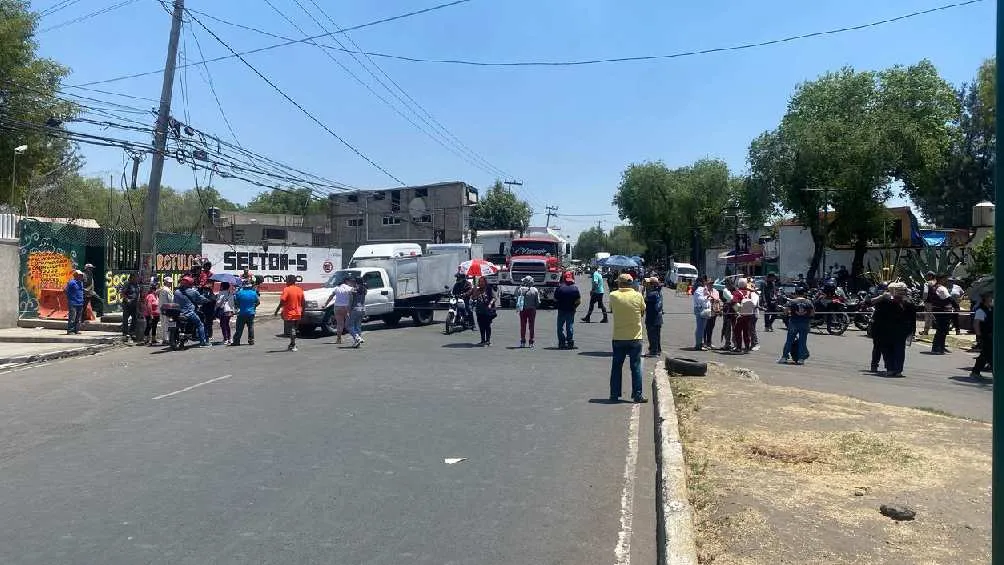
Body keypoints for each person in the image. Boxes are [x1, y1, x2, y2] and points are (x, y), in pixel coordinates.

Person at [609, 273, 647, 403]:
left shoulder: (613, 295)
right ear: (631, 283)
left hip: (619, 337)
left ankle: (614, 394)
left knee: (616, 367)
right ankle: (637, 395)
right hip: (635, 337)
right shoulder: (638, 295)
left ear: (620, 283)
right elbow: (642, 311)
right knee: (635, 367)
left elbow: (612, 310)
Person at [871, 282, 917, 377]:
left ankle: (890, 369)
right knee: (899, 350)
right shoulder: (909, 302)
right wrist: (912, 330)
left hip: (887, 330)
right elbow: (913, 318)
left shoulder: (885, 301)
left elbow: (877, 313)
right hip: (901, 331)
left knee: (888, 350)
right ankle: (898, 370)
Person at [779, 286, 813, 364]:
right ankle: (801, 359)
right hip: (805, 323)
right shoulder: (809, 302)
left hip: (794, 323)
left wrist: (786, 312)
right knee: (802, 341)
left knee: (789, 340)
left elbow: (786, 311)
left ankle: (784, 357)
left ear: (796, 293)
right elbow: (812, 313)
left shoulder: (792, 302)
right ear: (804, 293)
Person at [174, 275, 209, 346]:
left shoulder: (176, 292)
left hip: (179, 313)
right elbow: (201, 299)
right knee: (200, 325)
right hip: (189, 313)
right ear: (190, 283)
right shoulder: (193, 292)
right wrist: (208, 299)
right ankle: (203, 342)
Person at [274, 274, 305, 352]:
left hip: (289, 313)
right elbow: (303, 302)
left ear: (290, 281)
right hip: (298, 313)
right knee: (294, 328)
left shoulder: (287, 289)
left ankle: (294, 345)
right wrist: (303, 311)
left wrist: (277, 310)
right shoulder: (300, 290)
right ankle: (292, 344)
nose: (286, 281)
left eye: (287, 280)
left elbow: (282, 301)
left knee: (291, 329)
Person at [554, 271, 581, 350]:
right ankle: (570, 342)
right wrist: (574, 307)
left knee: (560, 327)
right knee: (569, 326)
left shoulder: (560, 288)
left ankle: (562, 343)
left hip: (561, 310)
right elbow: (578, 301)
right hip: (571, 310)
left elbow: (555, 299)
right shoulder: (575, 288)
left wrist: (559, 304)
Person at [324, 276, 353, 344]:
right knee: (348, 323)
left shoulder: (336, 288)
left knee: (339, 324)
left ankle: (338, 339)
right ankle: (356, 337)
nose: (351, 283)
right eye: (350, 282)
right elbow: (351, 298)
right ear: (347, 282)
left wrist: (325, 304)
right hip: (346, 307)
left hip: (337, 307)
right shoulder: (349, 288)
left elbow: (331, 297)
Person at [971, 293, 994, 379]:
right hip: (986, 335)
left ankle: (975, 372)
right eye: (989, 297)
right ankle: (997, 375)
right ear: (984, 298)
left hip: (992, 335)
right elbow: (976, 324)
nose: (991, 298)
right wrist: (979, 336)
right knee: (991, 355)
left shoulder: (992, 308)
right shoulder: (981, 310)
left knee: (985, 355)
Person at [231, 280, 260, 346]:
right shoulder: (254, 293)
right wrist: (253, 307)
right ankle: (251, 340)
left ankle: (236, 341)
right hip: (251, 313)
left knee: (239, 328)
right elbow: (258, 302)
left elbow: (236, 303)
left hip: (241, 313)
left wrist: (239, 306)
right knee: (250, 327)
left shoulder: (239, 293)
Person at [930, 274, 953, 355]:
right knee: (942, 330)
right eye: (945, 279)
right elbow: (949, 299)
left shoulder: (935, 287)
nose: (946, 281)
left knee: (940, 330)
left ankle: (940, 347)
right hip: (943, 312)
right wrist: (956, 306)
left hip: (938, 311)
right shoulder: (941, 288)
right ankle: (938, 348)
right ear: (941, 279)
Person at [516, 275, 540, 348]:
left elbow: (516, 296)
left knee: (523, 326)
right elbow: (538, 302)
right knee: (531, 326)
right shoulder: (535, 290)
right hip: (532, 310)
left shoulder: (520, 289)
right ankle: (531, 342)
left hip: (523, 309)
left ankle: (523, 341)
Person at [471, 277, 496, 346]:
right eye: (480, 282)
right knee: (481, 326)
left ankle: (488, 340)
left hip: (487, 311)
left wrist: (490, 304)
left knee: (487, 325)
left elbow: (494, 298)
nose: (481, 283)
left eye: (482, 281)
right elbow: (473, 298)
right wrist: (475, 290)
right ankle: (482, 340)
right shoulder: (478, 290)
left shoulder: (489, 289)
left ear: (485, 282)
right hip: (479, 310)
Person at [731, 278, 754, 353]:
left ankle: (739, 347)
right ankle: (747, 347)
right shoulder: (749, 293)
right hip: (749, 314)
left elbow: (734, 302)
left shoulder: (736, 293)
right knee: (746, 331)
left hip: (740, 315)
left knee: (737, 331)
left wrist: (736, 311)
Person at [644, 277, 664, 357]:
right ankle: (657, 350)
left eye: (648, 283)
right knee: (657, 335)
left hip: (652, 317)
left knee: (652, 335)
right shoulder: (658, 292)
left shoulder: (651, 294)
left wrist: (643, 293)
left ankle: (653, 352)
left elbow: (643, 302)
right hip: (658, 317)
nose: (646, 284)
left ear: (652, 285)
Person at [197, 261, 216, 341]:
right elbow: (200, 283)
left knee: (209, 319)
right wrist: (201, 286)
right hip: (202, 293)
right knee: (201, 318)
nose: (207, 267)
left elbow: (212, 283)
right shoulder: (201, 274)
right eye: (206, 266)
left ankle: (209, 334)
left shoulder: (211, 274)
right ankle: (202, 334)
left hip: (209, 296)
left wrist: (208, 285)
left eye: (209, 266)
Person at [119, 273, 140, 343]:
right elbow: (122, 293)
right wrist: (127, 299)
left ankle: (132, 332)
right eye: (135, 277)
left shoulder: (136, 285)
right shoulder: (127, 284)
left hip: (134, 305)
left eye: (137, 278)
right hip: (127, 305)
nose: (137, 279)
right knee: (125, 319)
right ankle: (125, 334)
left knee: (134, 319)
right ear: (131, 278)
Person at [692, 275, 711, 351]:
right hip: (700, 309)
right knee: (700, 328)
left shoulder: (700, 289)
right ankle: (698, 344)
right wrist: (707, 296)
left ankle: (700, 343)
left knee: (702, 327)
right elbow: (700, 299)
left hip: (702, 309)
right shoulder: (700, 289)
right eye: (706, 281)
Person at [348, 275, 368, 347]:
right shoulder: (365, 289)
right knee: (358, 325)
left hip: (355, 308)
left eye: (354, 281)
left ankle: (357, 337)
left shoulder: (354, 289)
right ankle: (357, 342)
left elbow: (351, 300)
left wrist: (348, 309)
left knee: (349, 326)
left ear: (356, 282)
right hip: (362, 308)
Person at [703, 279, 722, 349]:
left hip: (714, 311)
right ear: (706, 284)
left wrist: (719, 310)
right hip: (707, 311)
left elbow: (718, 301)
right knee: (705, 327)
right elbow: (703, 299)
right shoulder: (704, 291)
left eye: (712, 283)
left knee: (711, 327)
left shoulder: (716, 291)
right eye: (709, 284)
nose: (711, 285)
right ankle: (704, 342)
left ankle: (709, 342)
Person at [65, 270, 85, 335]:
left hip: (80, 303)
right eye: (80, 275)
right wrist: (70, 298)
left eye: (81, 275)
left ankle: (76, 330)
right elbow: (65, 290)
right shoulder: (71, 282)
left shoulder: (80, 283)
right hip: (73, 303)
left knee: (78, 318)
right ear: (76, 275)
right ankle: (70, 331)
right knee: (72, 318)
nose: (81, 276)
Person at [157, 277, 175, 344]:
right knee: (167, 324)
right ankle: (167, 339)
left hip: (163, 309)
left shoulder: (162, 289)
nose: (170, 283)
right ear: (166, 282)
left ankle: (165, 339)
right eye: (169, 282)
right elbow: (171, 300)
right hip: (167, 309)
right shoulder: (166, 290)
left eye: (171, 282)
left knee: (163, 324)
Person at [720, 279, 735, 350]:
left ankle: (735, 344)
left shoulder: (736, 291)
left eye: (728, 284)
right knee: (726, 328)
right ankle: (727, 343)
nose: (726, 286)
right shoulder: (725, 291)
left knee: (735, 329)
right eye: (726, 284)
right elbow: (723, 299)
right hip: (727, 312)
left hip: (734, 312)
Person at [920, 271, 936, 335]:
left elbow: (925, 293)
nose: (926, 277)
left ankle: (926, 331)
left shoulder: (928, 283)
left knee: (928, 316)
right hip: (936, 302)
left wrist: (924, 300)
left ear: (931, 276)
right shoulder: (937, 283)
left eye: (927, 276)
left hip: (929, 302)